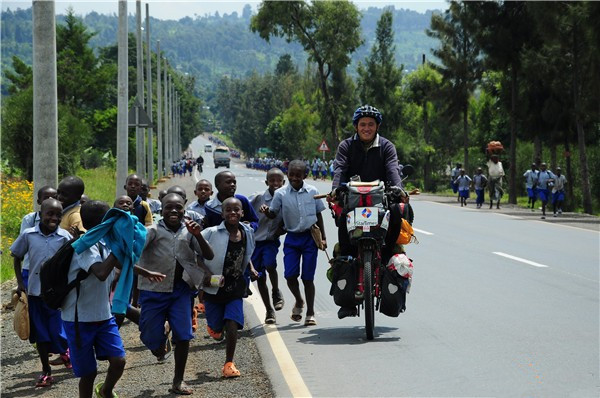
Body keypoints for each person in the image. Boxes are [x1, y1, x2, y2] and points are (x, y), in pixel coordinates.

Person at [63, 200, 164, 398]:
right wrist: (118, 245)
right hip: (78, 318)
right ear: (105, 221)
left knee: (119, 361)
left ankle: (106, 391)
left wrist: (144, 272)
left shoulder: (106, 241)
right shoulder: (84, 246)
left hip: (103, 315)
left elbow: (120, 261)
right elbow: (101, 272)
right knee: (88, 373)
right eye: (113, 216)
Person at [137, 193, 214, 395]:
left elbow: (208, 255)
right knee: (150, 336)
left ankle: (178, 381)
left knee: (184, 336)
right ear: (160, 210)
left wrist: (198, 235)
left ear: (184, 209)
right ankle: (160, 343)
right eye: (168, 207)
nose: (173, 211)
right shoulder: (152, 231)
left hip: (181, 291)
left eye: (178, 207)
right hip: (154, 291)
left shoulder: (190, 230)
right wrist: (142, 273)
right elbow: (132, 254)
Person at [10, 198, 71, 387]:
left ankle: (67, 353)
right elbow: (16, 257)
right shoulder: (29, 235)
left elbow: (71, 263)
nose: (53, 218)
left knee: (59, 333)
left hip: (56, 297)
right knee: (41, 335)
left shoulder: (65, 237)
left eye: (58, 215)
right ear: (40, 214)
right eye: (49, 214)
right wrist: (20, 282)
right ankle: (46, 370)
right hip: (35, 294)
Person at [261, 160, 326, 326]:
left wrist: (323, 238)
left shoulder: (313, 191)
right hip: (292, 238)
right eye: (291, 175)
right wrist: (267, 212)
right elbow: (274, 214)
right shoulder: (281, 194)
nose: (294, 178)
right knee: (290, 275)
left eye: (298, 175)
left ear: (305, 175)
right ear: (287, 174)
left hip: (310, 238)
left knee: (307, 278)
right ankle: (299, 300)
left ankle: (310, 313)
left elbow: (319, 215)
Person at [331, 105, 402, 257]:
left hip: (381, 198)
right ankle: (345, 258)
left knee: (398, 211)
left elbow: (392, 169)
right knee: (342, 216)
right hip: (353, 197)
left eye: (371, 124)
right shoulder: (346, 146)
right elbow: (340, 169)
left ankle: (389, 252)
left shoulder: (387, 146)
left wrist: (398, 188)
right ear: (356, 126)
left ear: (377, 126)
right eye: (363, 124)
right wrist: (335, 190)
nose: (367, 128)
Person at [200, 197, 258, 377]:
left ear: (242, 213)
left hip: (235, 285)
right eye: (228, 210)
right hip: (214, 287)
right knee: (217, 325)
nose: (233, 213)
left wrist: (251, 268)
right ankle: (215, 328)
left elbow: (244, 254)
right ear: (222, 213)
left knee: (232, 322)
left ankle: (229, 363)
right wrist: (207, 276)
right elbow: (194, 253)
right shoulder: (211, 233)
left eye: (236, 210)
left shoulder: (247, 231)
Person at [249, 168, 286, 324]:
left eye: (279, 181)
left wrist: (280, 230)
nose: (276, 184)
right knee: (260, 276)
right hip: (255, 242)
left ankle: (276, 291)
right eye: (272, 181)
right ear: (267, 182)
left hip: (270, 240)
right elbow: (242, 208)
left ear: (284, 183)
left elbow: (288, 221)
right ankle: (269, 310)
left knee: (270, 264)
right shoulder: (258, 198)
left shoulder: (286, 199)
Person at [18, 185, 58, 291]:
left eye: (54, 197)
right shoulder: (30, 219)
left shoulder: (59, 219)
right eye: (46, 197)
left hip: (52, 271)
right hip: (30, 267)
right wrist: (19, 281)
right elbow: (22, 246)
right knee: (31, 299)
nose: (50, 200)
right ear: (39, 201)